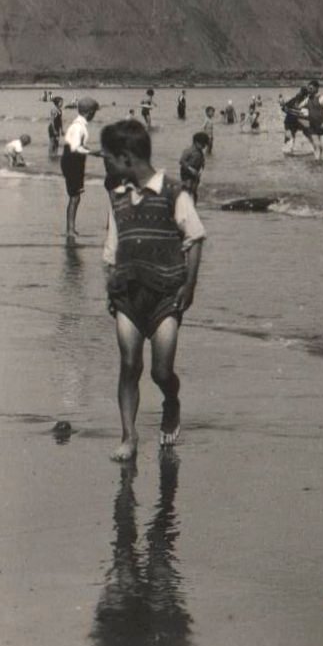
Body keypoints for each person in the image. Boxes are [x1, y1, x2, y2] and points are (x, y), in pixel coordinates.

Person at [99, 119, 206, 461]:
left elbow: (195, 239)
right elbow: (112, 245)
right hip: (128, 295)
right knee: (129, 364)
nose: (106, 166)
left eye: (109, 159)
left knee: (161, 370)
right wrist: (111, 279)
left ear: (127, 158)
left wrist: (189, 287)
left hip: (165, 295)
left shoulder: (174, 193)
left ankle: (171, 399)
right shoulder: (116, 199)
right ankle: (129, 437)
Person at [62, 97, 100, 240]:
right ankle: (70, 229)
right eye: (94, 112)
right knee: (75, 196)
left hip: (72, 160)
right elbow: (75, 148)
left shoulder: (78, 124)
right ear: (90, 113)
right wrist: (94, 153)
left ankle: (70, 228)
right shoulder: (78, 127)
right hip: (73, 161)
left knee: (75, 196)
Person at [302, 80, 323, 162]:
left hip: (322, 125)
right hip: (313, 125)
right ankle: (317, 160)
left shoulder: (322, 98)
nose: (309, 90)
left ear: (316, 88)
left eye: (311, 88)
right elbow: (299, 106)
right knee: (316, 145)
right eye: (308, 88)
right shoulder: (308, 99)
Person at [178, 131, 209, 197]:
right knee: (187, 188)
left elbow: (202, 162)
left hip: (196, 174)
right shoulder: (189, 151)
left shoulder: (200, 152)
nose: (204, 146)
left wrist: (201, 170)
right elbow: (181, 161)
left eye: (205, 145)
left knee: (194, 191)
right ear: (196, 142)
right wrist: (191, 169)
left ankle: (193, 204)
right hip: (186, 173)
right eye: (203, 144)